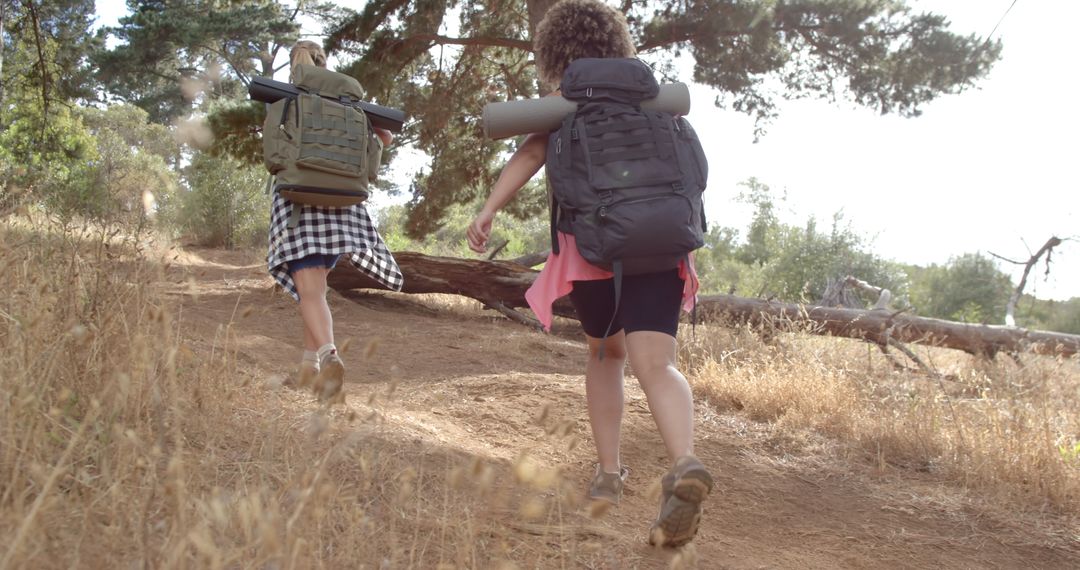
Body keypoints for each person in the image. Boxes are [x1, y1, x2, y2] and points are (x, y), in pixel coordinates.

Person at [466, 0, 713, 548]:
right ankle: (686, 462)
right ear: (616, 43)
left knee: (606, 353)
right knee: (659, 364)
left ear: (557, 50)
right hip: (663, 247)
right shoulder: (653, 96)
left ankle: (609, 472)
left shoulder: (564, 102)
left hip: (595, 251)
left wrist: (487, 211)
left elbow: (531, 156)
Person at [267, 40, 403, 402]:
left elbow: (273, 148)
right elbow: (385, 138)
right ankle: (307, 367)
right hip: (343, 205)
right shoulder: (349, 99)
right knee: (315, 294)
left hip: (299, 200)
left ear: (294, 64)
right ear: (325, 63)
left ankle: (330, 358)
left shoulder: (289, 93)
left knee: (310, 293)